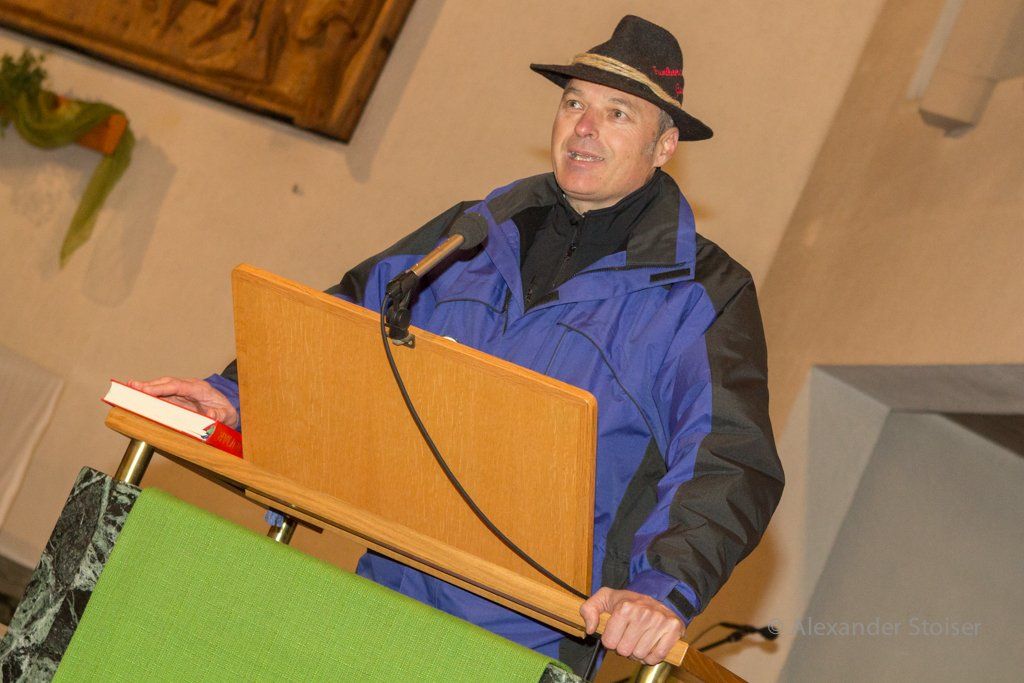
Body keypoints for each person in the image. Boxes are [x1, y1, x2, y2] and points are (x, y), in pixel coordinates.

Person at [131, 16, 784, 673]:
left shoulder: (702, 292)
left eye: (617, 113)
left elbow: (730, 459)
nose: (585, 127)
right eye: (573, 103)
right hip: (381, 586)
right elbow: (344, 322)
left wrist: (663, 587)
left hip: (528, 636)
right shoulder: (475, 230)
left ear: (664, 144)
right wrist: (236, 395)